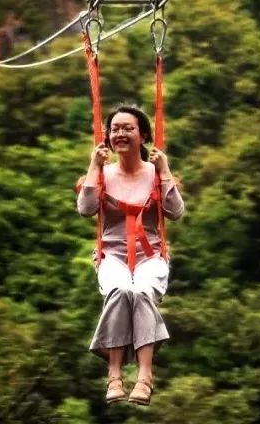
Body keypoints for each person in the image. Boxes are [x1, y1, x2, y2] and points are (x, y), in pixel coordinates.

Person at [76, 104, 185, 405]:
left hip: (150, 254)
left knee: (141, 293)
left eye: (128, 128)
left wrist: (164, 171)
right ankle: (114, 375)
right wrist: (93, 167)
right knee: (121, 290)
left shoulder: (155, 172)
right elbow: (85, 210)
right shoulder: (103, 174)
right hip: (112, 252)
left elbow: (175, 213)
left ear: (143, 135)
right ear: (108, 137)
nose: (120, 134)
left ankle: (145, 377)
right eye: (115, 129)